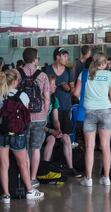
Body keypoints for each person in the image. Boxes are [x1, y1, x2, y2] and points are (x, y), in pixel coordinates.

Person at [74, 52, 111, 187]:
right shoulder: (109, 75)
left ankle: (88, 179)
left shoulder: (84, 74)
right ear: (104, 63)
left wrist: (85, 100)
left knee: (89, 147)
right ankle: (106, 178)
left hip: (89, 113)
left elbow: (76, 93)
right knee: (106, 146)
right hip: (106, 112)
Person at [0, 70, 45, 204]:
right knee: (23, 164)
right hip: (18, 134)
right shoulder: (23, 95)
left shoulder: (1, 96)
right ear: (15, 82)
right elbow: (26, 113)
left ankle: (6, 195)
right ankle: (30, 191)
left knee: (3, 165)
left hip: (2, 134)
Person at [17, 48, 50, 188]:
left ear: (24, 58)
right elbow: (47, 98)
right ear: (35, 59)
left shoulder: (17, 74)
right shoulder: (43, 76)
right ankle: (32, 178)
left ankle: (22, 176)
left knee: (23, 148)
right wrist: (45, 114)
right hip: (39, 117)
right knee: (35, 148)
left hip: (21, 117)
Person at [42, 74, 82, 178]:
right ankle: (44, 169)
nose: (55, 86)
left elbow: (55, 119)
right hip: (40, 129)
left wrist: (58, 130)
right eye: (52, 84)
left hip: (49, 128)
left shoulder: (54, 99)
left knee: (66, 137)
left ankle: (70, 168)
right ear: (45, 86)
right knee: (51, 139)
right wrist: (52, 131)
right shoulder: (40, 100)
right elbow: (38, 124)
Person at [44, 47, 74, 146]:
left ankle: (64, 160)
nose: (67, 59)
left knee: (65, 136)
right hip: (49, 108)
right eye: (64, 56)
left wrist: (68, 88)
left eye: (67, 57)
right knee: (51, 137)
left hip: (65, 107)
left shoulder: (69, 71)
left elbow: (73, 90)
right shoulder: (46, 70)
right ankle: (49, 160)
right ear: (58, 57)